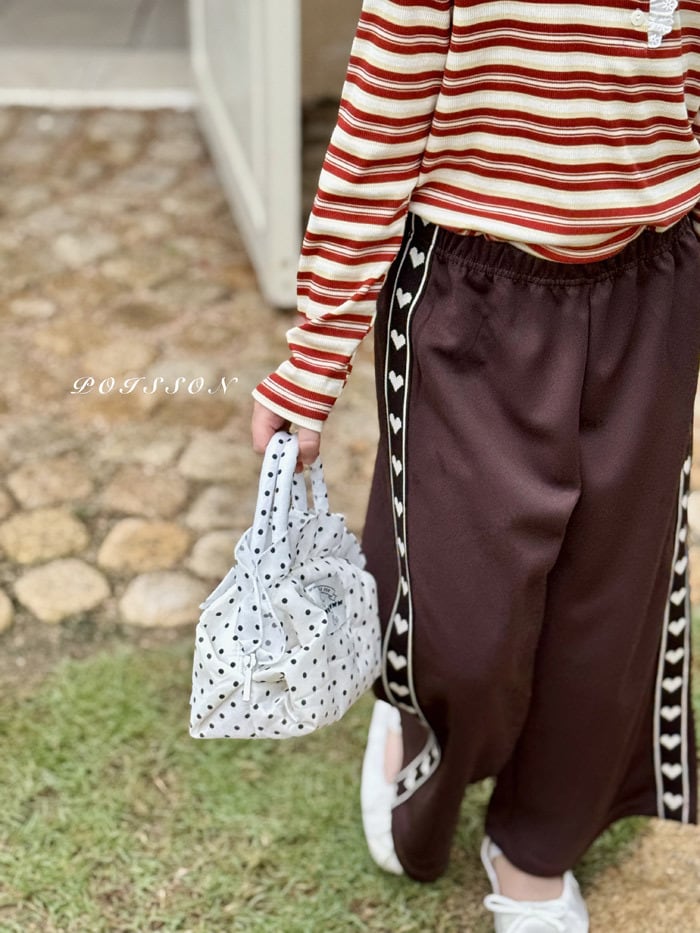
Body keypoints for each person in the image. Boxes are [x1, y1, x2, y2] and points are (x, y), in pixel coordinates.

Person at [250, 1, 700, 929]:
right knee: (460, 620)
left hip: (650, 286)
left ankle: (534, 851)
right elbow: (380, 119)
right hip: (471, 292)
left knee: (608, 612)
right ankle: (416, 708)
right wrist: (314, 358)